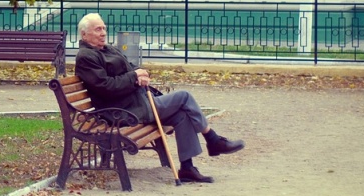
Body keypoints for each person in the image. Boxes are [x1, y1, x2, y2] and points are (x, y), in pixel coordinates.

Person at [74, 13, 245, 183]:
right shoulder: (86, 57)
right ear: (84, 34)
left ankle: (187, 168)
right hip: (122, 111)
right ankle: (213, 140)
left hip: (135, 102)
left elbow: (130, 67)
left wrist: (140, 74)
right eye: (98, 29)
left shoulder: (107, 49)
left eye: (104, 28)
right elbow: (106, 87)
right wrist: (134, 77)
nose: (103, 32)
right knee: (184, 97)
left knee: (181, 115)